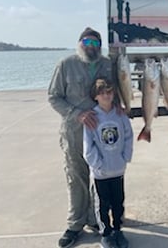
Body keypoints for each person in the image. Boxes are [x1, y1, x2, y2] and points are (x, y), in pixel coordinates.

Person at [48, 27, 114, 248]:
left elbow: (118, 91)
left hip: (102, 131)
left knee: (100, 176)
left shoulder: (107, 64)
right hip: (74, 131)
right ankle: (75, 223)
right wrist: (77, 114)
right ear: (79, 43)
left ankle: (96, 219)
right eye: (86, 41)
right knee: (76, 176)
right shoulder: (66, 64)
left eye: (95, 42)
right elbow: (54, 97)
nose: (90, 46)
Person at [84, 78, 133, 248]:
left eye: (109, 92)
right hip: (101, 173)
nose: (106, 95)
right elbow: (88, 147)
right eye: (102, 93)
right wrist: (98, 164)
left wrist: (125, 157)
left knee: (118, 202)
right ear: (96, 96)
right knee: (102, 205)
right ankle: (106, 233)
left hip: (118, 170)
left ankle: (118, 230)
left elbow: (128, 136)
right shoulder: (92, 117)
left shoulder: (119, 114)